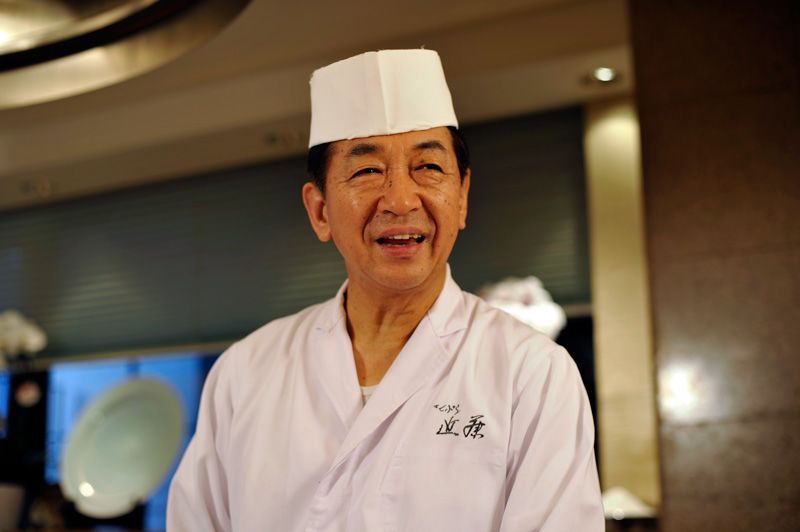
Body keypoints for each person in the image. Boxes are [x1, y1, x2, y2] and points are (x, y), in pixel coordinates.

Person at [167, 49, 603, 531]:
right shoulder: (245, 372)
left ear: (462, 197)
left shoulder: (531, 373)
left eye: (429, 167)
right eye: (367, 171)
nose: (399, 200)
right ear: (320, 211)